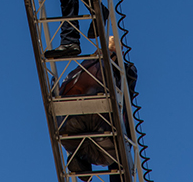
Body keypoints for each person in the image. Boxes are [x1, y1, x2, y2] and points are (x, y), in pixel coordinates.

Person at [58, 36, 138, 182]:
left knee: (83, 142)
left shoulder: (86, 68)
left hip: (72, 128)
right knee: (118, 144)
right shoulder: (111, 71)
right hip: (102, 130)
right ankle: (88, 164)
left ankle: (80, 161)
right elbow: (128, 91)